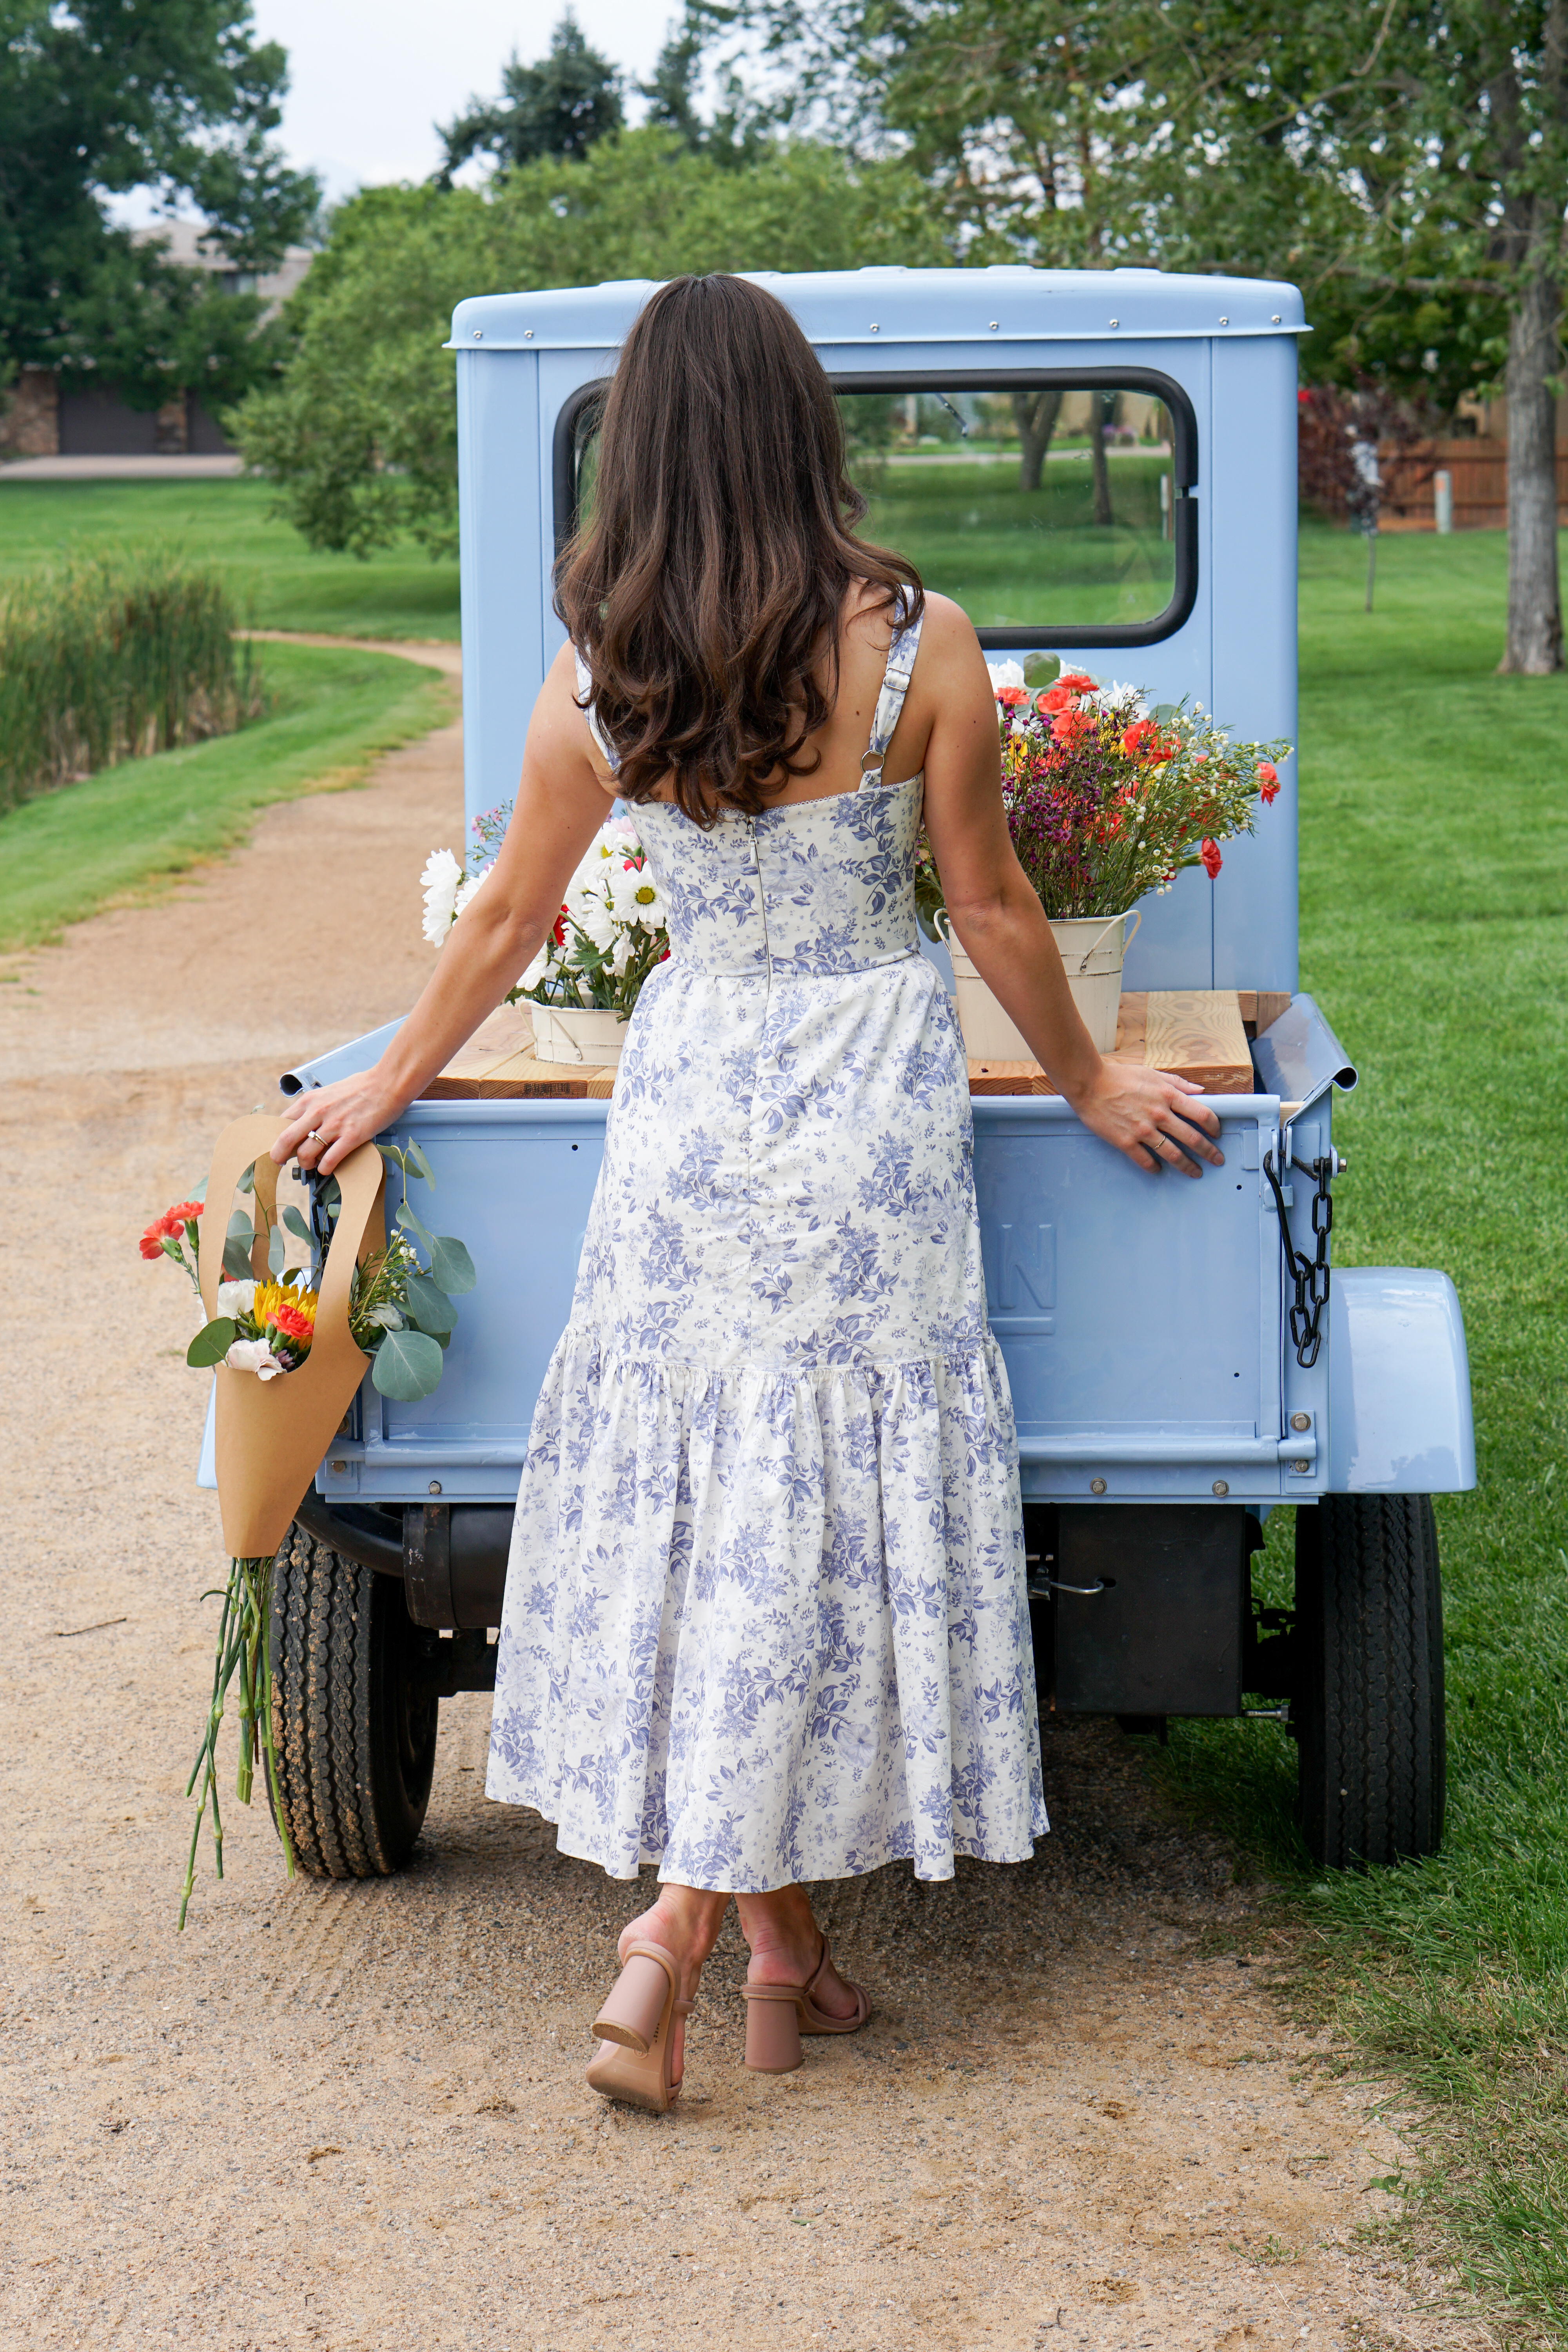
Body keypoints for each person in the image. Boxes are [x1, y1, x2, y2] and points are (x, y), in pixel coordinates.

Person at [274, 273, 1222, 2114]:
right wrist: (1092, 1077)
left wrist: (388, 1078)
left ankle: (775, 1950)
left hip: (693, 1085)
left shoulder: (589, 662)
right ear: (803, 428)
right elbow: (993, 906)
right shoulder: (915, 638)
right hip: (869, 1093)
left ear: (638, 446)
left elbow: (509, 918)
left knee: (725, 1497)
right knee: (812, 1501)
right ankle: (688, 1937)